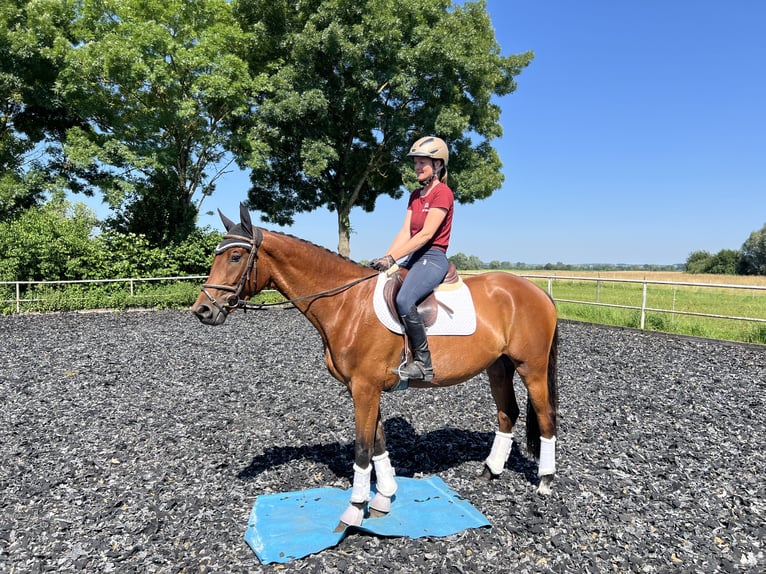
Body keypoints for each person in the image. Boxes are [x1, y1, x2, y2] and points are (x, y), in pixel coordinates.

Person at [371, 136, 455, 382]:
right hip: (414, 256)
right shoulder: (415, 195)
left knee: (405, 298)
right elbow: (406, 232)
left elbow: (427, 234)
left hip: (433, 256)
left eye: (423, 163)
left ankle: (423, 363)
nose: (417, 167)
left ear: (438, 164)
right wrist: (385, 259)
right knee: (380, 286)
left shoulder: (443, 194)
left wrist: (394, 257)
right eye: (416, 163)